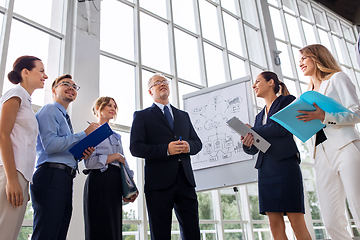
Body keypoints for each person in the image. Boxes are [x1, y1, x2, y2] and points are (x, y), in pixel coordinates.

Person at [297, 44, 360, 240]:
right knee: (331, 222)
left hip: (345, 147)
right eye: (299, 60)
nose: (300, 63)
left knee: (358, 207)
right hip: (320, 153)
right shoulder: (307, 92)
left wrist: (325, 116)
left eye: (304, 58)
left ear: (317, 58)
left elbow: (356, 113)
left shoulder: (337, 78)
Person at [130, 73, 202, 239]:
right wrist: (166, 149)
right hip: (158, 184)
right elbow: (136, 148)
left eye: (165, 82)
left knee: (192, 232)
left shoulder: (183, 116)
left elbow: (197, 143)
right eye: (157, 83)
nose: (162, 84)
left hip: (186, 181)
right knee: (160, 233)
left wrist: (188, 146)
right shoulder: (142, 116)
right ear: (150, 92)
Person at [241, 71, 311, 240]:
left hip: (286, 166)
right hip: (266, 170)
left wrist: (253, 130)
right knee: (274, 224)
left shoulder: (287, 101)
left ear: (271, 82)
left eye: (258, 81)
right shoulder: (259, 116)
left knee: (296, 222)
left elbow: (280, 128)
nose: (254, 85)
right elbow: (255, 148)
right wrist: (247, 142)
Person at [30, 74, 99, 240]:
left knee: (58, 233)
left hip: (63, 178)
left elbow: (61, 148)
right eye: (66, 84)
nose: (71, 88)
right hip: (51, 177)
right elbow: (51, 145)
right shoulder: (49, 110)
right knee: (47, 233)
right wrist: (84, 134)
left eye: (74, 86)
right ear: (54, 90)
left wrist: (80, 154)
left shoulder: (64, 117)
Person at [0, 56, 48, 240]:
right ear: (25, 72)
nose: (45, 75)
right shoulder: (16, 93)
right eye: (41, 70)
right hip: (10, 173)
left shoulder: (26, 101)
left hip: (20, 176)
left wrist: (24, 182)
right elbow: (3, 135)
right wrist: (12, 180)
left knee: (10, 233)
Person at [83, 96, 138, 240]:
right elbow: (89, 163)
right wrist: (114, 156)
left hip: (115, 181)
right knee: (99, 226)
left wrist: (132, 185)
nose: (113, 108)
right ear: (98, 109)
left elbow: (124, 161)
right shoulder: (92, 132)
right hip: (99, 181)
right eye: (108, 105)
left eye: (114, 106)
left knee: (114, 226)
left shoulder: (116, 136)